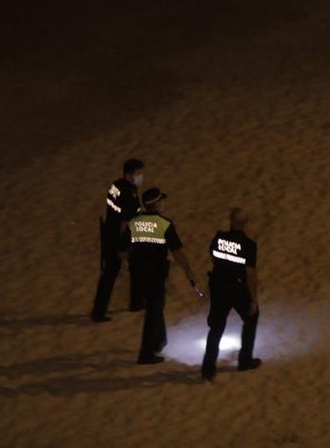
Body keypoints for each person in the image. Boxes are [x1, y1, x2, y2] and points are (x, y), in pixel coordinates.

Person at [121, 188, 201, 364]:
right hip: (155, 274)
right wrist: (188, 270)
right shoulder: (165, 224)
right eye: (161, 201)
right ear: (156, 204)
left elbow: (123, 251)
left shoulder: (134, 222)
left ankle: (159, 340)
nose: (163, 204)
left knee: (155, 307)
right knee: (154, 310)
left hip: (137, 275)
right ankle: (146, 353)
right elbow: (177, 252)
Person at [201, 207, 261, 381]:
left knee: (216, 327)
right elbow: (250, 273)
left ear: (231, 221)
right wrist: (253, 299)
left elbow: (212, 255)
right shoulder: (249, 245)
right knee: (252, 317)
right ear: (245, 223)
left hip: (218, 286)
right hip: (236, 288)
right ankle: (245, 361)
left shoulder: (219, 237)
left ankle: (208, 369)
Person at [91, 158, 145, 322]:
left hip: (109, 232)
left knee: (112, 272)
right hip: (122, 236)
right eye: (138, 173)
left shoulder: (116, 186)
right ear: (128, 174)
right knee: (118, 270)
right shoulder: (129, 193)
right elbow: (125, 221)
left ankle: (101, 309)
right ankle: (132, 303)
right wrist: (124, 245)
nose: (140, 177)